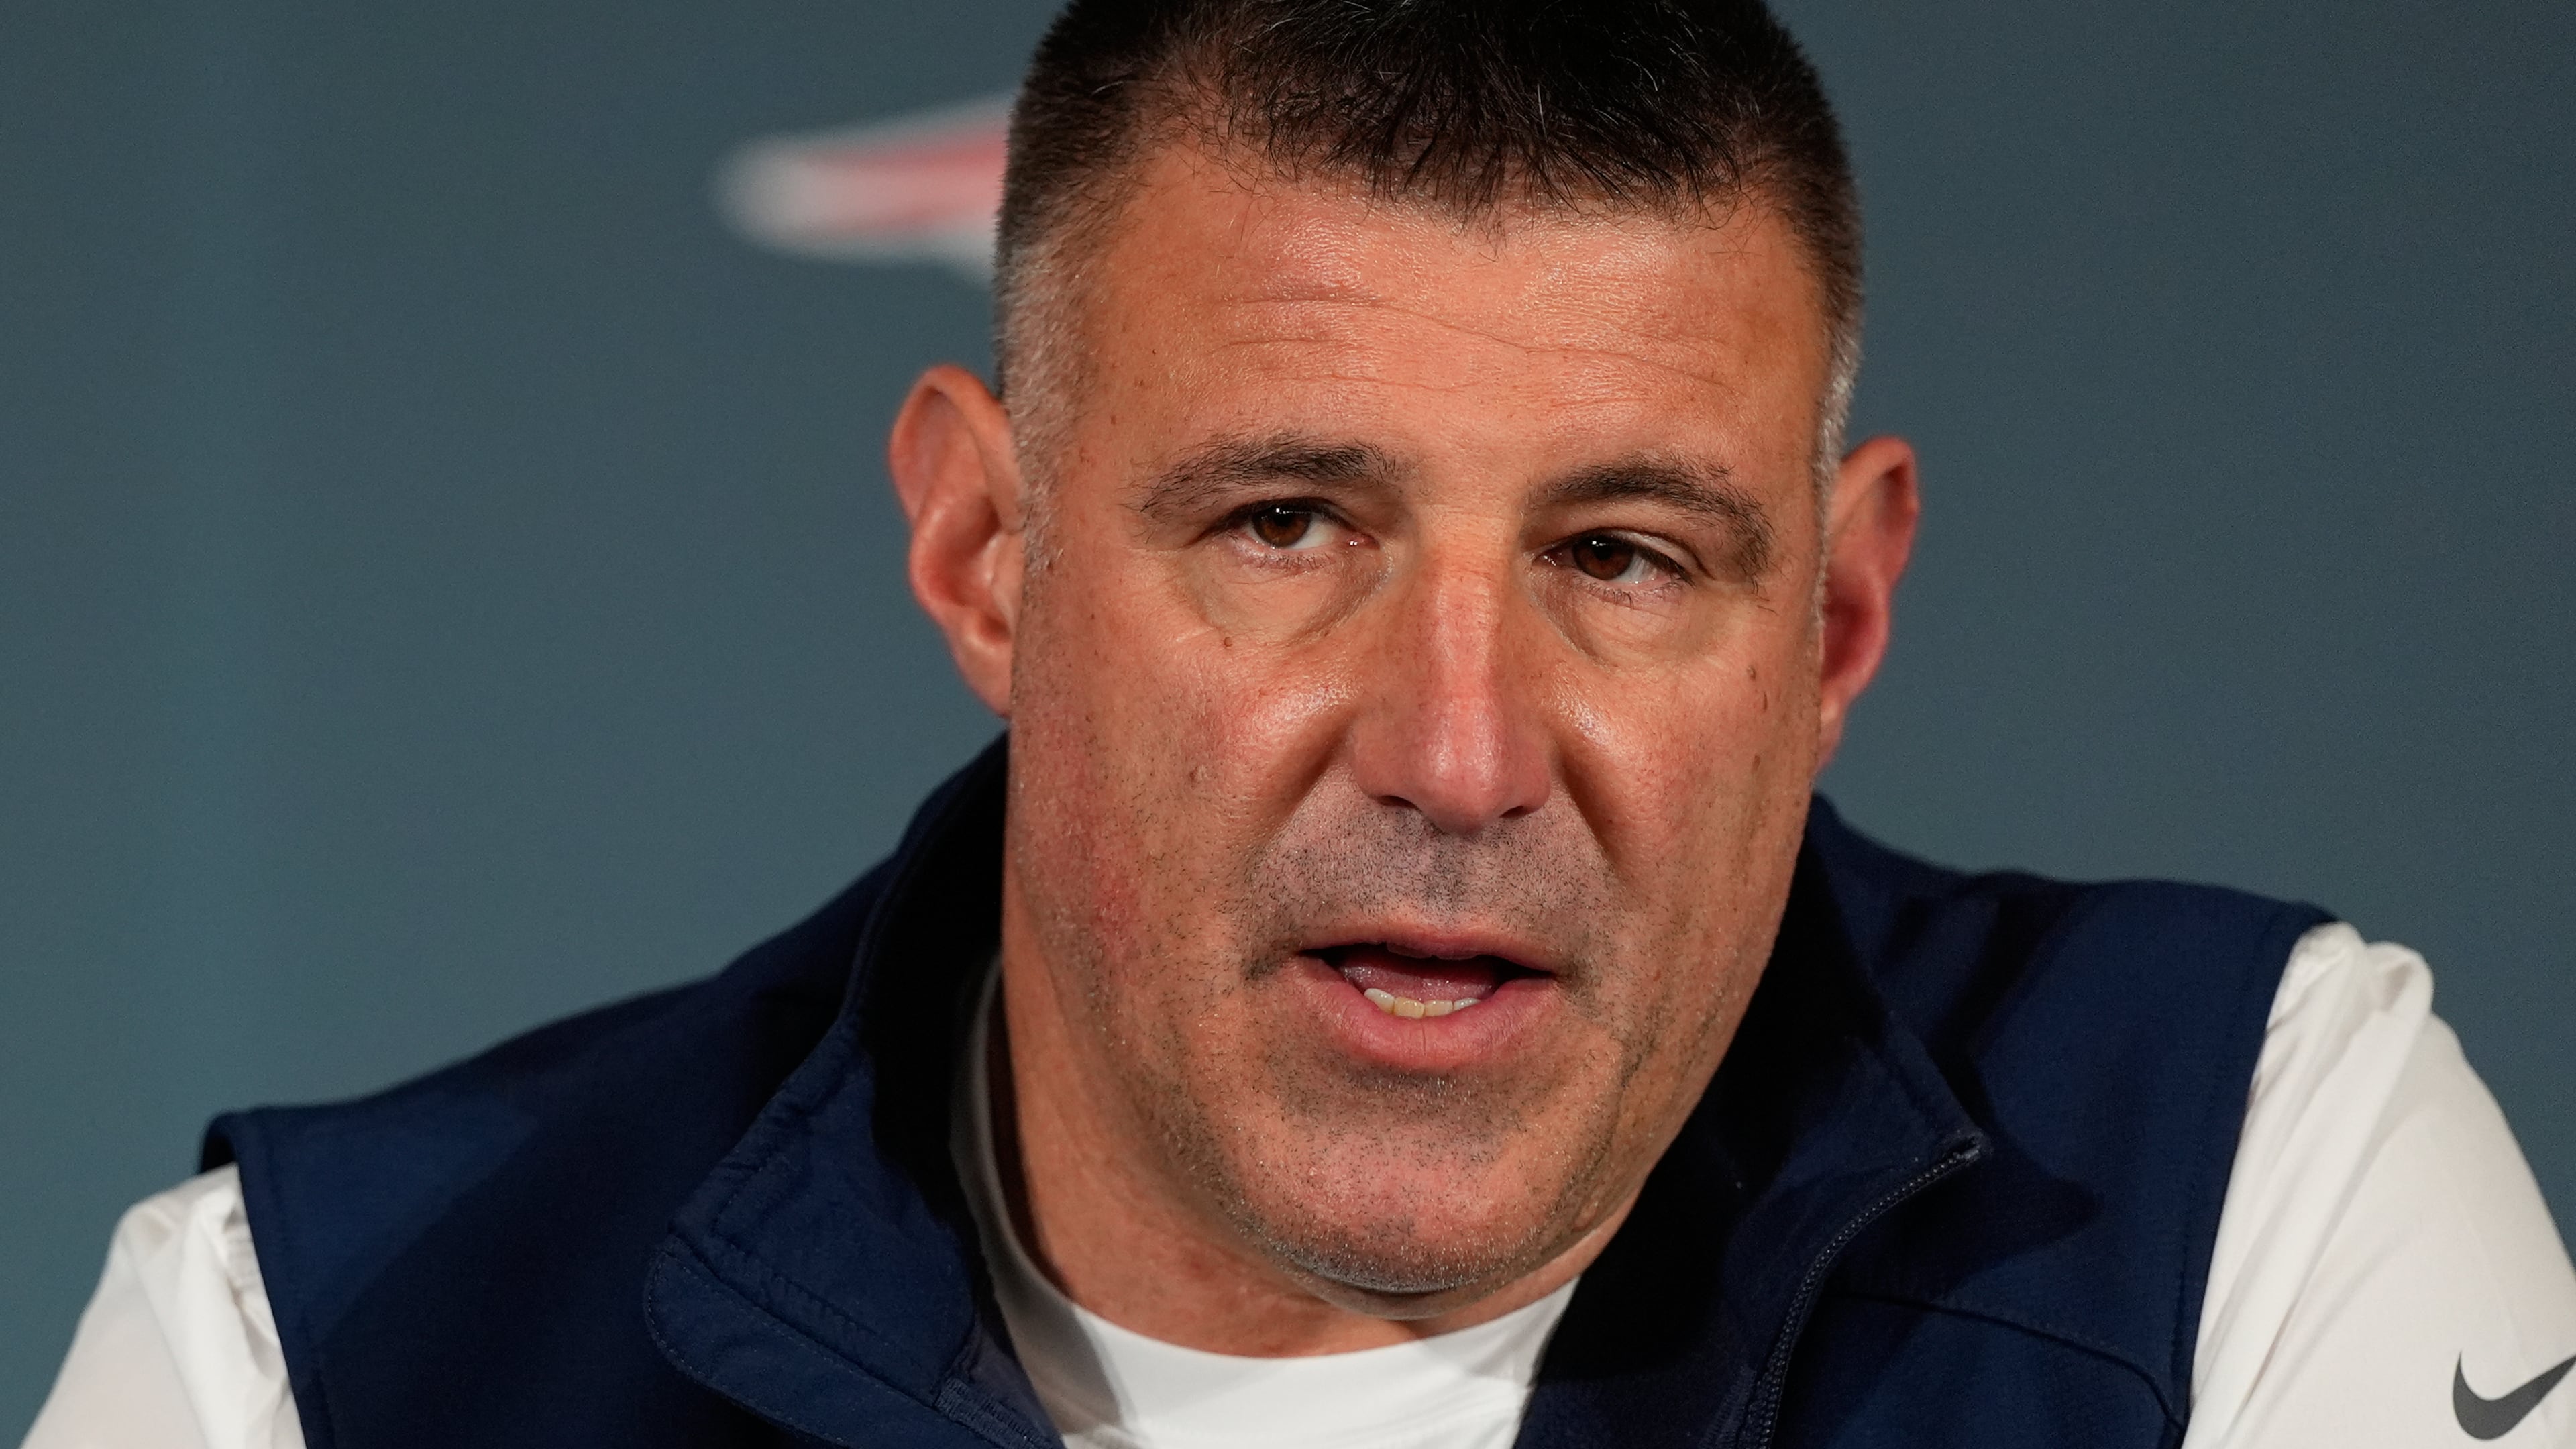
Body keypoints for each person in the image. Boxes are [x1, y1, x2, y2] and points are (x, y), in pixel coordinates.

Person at [25, 1, 2576, 1445]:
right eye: (1285, 526)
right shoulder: (314, 1358)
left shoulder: (2244, 1167)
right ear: (987, 552)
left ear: (1830, 621)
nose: (1459, 755)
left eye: (1622, 556)